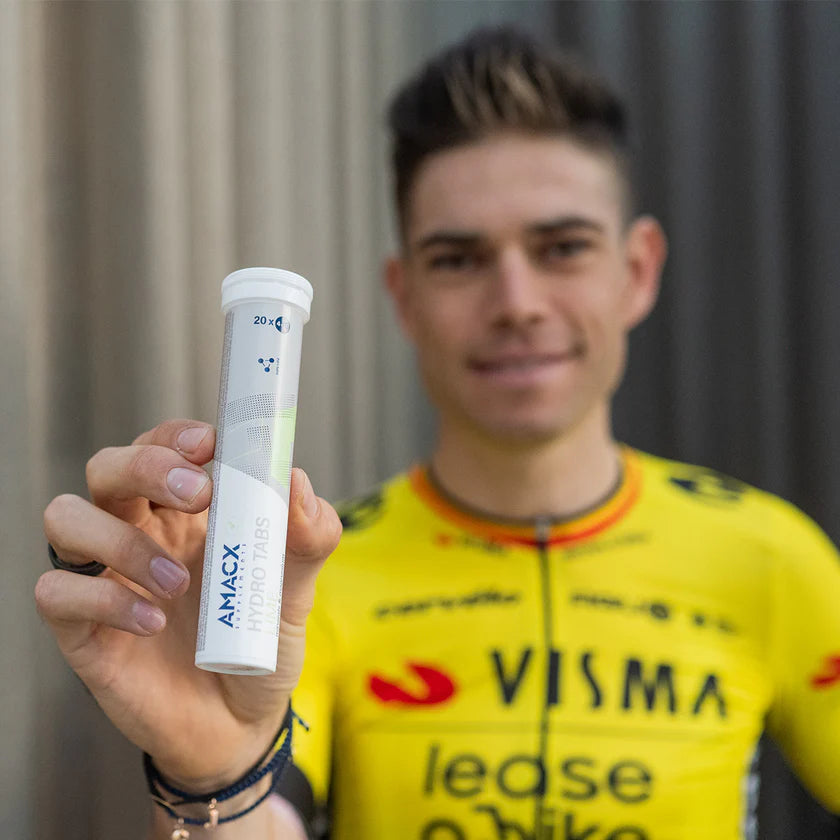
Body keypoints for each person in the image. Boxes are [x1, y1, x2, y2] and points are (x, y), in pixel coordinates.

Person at [35, 26, 840, 840]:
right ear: (405, 295)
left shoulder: (772, 558)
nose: (517, 303)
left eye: (563, 248)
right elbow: (259, 823)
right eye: (459, 259)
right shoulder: (301, 577)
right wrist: (213, 779)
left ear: (636, 270)